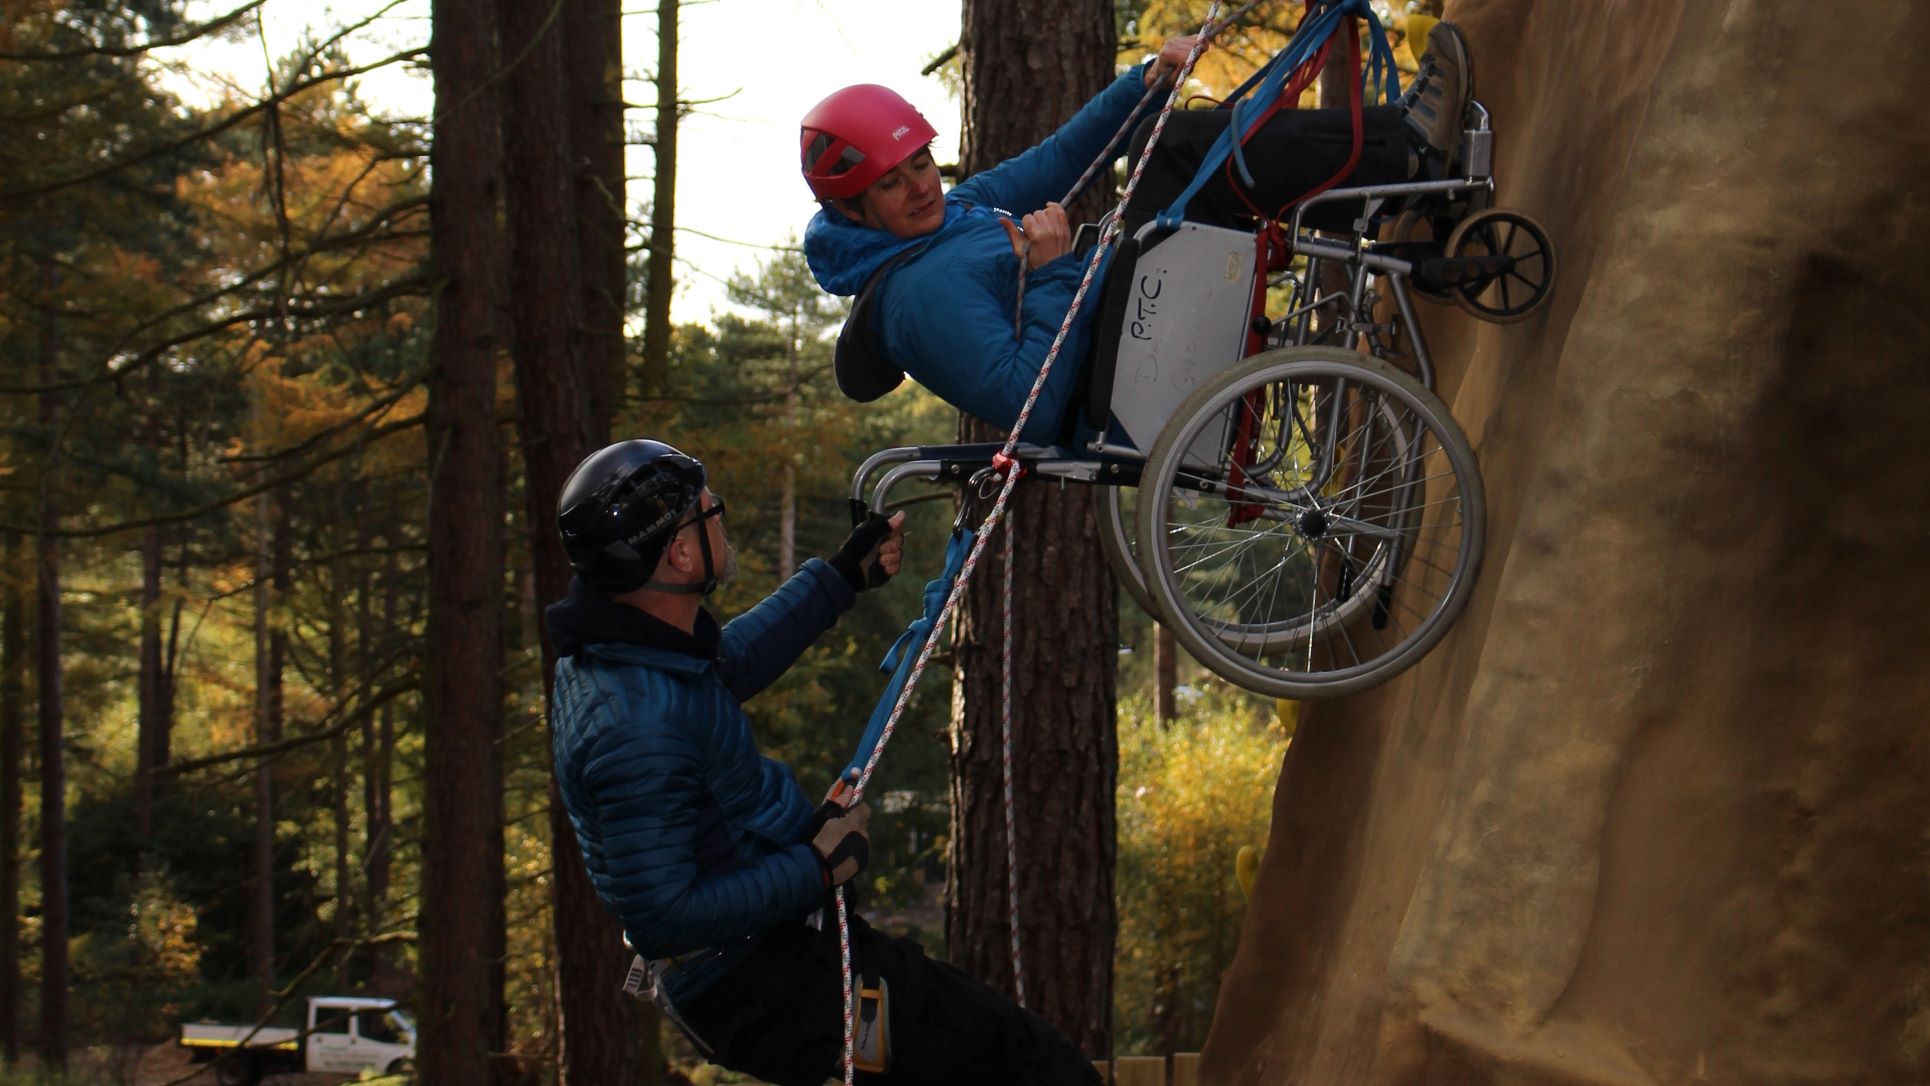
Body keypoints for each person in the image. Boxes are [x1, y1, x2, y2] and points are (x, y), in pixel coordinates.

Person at [546, 439, 1104, 1085]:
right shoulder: (634, 726)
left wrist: (841, 576)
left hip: (765, 957)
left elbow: (728, 664)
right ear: (679, 553)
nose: (721, 518)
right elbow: (663, 916)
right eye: (710, 511)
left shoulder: (632, 653)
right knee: (1037, 1066)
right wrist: (814, 865)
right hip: (764, 985)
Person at [800, 22, 1474, 443]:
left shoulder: (951, 217)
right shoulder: (916, 297)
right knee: (1178, 148)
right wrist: (1054, 272)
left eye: (921, 164)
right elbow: (1027, 408)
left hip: (1127, 334)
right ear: (852, 210)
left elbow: (1061, 159)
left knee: (1174, 140)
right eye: (891, 184)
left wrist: (1146, 82)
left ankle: (1393, 163)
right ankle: (1407, 157)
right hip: (1124, 384)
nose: (921, 187)